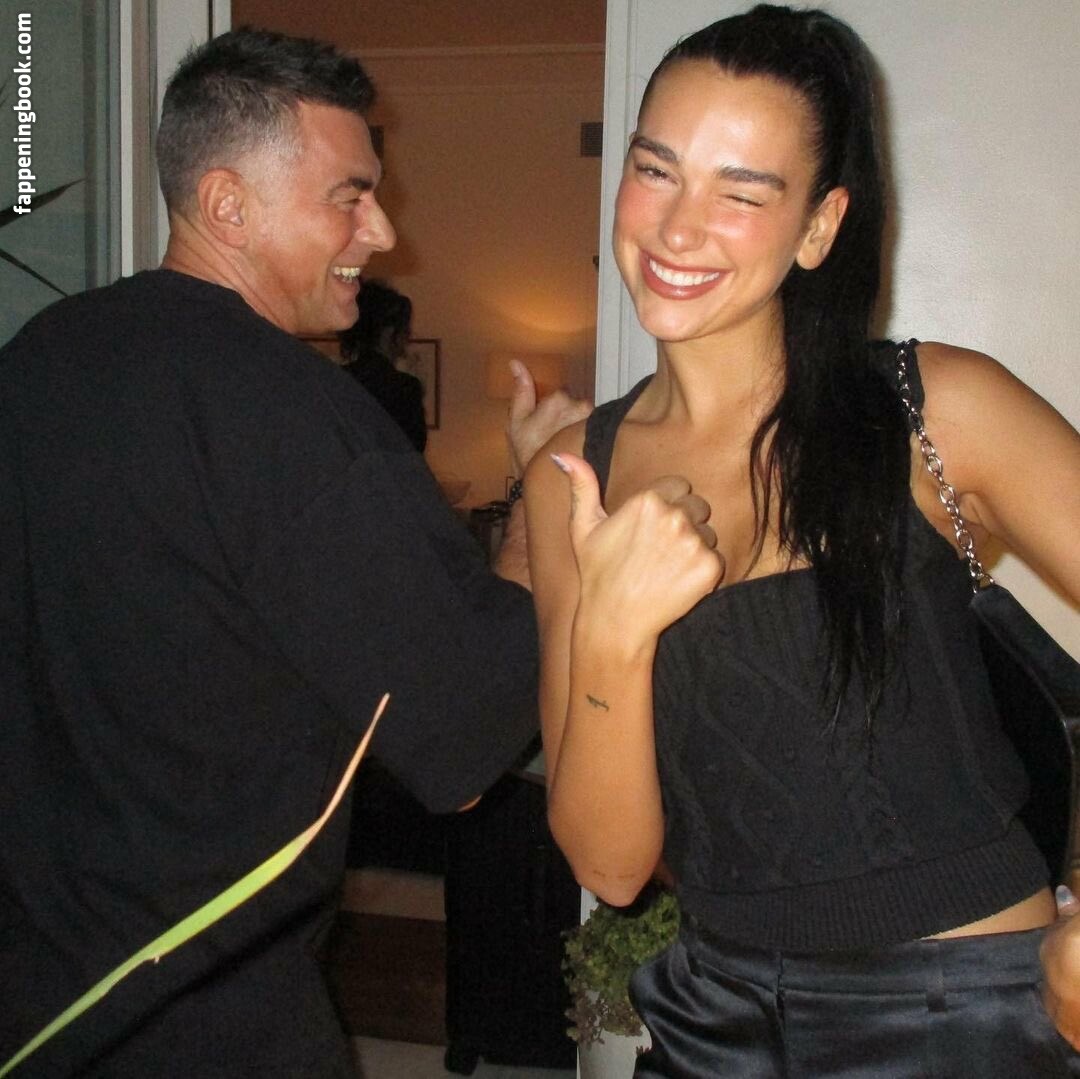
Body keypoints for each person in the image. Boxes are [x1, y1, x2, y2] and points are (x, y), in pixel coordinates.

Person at [0, 27, 587, 1079]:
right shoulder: (298, 414)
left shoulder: (39, 357)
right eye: (348, 197)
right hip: (198, 1016)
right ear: (228, 204)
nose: (383, 231)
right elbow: (465, 742)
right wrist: (539, 505)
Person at [524, 5, 1080, 1075]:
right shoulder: (573, 482)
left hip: (963, 1008)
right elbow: (610, 861)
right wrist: (615, 632)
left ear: (819, 227)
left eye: (740, 193)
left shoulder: (935, 410)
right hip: (715, 1016)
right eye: (655, 169)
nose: (677, 228)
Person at [339, 278, 428, 452]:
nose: (408, 336)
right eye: (405, 330)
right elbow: (412, 451)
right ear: (389, 333)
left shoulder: (337, 379)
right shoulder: (404, 388)